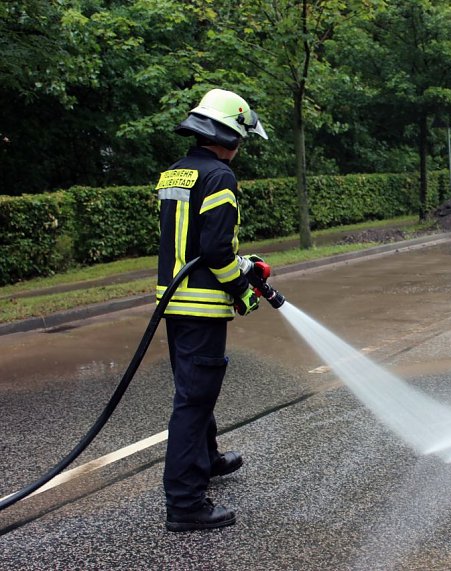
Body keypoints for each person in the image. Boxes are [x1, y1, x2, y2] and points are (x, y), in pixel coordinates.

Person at [155, 88, 269, 532]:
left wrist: (242, 266)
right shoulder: (220, 177)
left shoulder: (176, 173)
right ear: (230, 136)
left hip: (175, 301)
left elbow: (193, 243)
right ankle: (185, 504)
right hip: (202, 305)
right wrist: (241, 288)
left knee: (193, 389)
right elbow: (216, 249)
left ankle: (208, 457)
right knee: (194, 398)